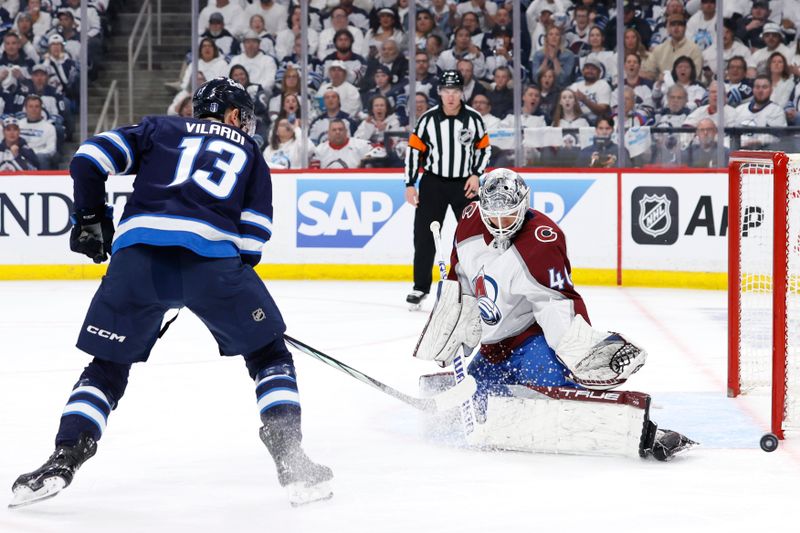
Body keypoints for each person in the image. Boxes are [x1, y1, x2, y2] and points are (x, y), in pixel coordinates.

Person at [8, 77, 332, 509]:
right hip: (213, 265)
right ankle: (291, 459)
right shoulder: (250, 152)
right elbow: (253, 241)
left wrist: (90, 215)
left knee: (107, 367)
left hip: (136, 261)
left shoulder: (161, 129)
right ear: (235, 115)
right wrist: (235, 302)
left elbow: (88, 158)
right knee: (269, 355)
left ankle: (65, 456)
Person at [412, 168, 695, 461]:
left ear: (523, 206)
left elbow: (555, 303)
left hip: (527, 339)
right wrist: (453, 319)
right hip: (491, 347)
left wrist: (577, 350)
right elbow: (461, 282)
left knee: (556, 392)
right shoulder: (469, 221)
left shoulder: (541, 241)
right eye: (492, 216)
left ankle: (646, 433)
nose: (499, 225)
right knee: (475, 401)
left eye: (507, 216)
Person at [404, 69, 490, 308]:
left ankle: (475, 284)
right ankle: (420, 287)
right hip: (433, 182)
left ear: (462, 93)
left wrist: (476, 174)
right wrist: (410, 183)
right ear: (440, 93)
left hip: (465, 184)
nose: (450, 96)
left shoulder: (473, 118)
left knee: (473, 235)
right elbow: (413, 151)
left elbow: (484, 149)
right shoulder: (428, 120)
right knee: (424, 236)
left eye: (455, 91)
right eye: (446, 91)